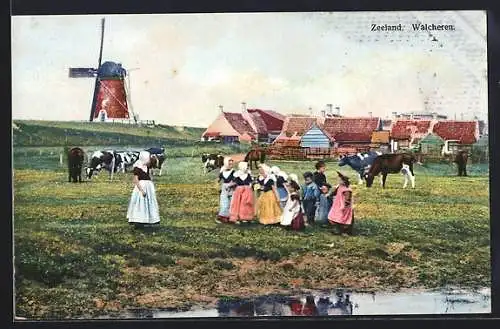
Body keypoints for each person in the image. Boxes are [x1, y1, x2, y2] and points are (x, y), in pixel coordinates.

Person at [127, 151, 160, 227]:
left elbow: (156, 165)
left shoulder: (146, 166)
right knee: (140, 203)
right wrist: (141, 190)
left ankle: (149, 219)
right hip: (142, 186)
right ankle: (139, 220)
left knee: (148, 203)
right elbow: (135, 180)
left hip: (148, 186)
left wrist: (154, 158)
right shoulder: (137, 167)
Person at [328, 171, 354, 235]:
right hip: (337, 205)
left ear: (344, 181)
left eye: (340, 180)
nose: (338, 180)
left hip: (343, 207)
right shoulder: (339, 187)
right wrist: (334, 189)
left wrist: (345, 207)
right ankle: (337, 229)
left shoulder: (347, 190)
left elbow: (348, 200)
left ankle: (345, 231)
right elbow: (333, 193)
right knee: (333, 216)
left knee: (343, 219)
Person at [217, 157, 235, 223]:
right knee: (224, 202)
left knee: (231, 202)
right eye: (229, 164)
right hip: (224, 188)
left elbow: (236, 180)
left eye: (232, 164)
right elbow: (218, 180)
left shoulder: (233, 172)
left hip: (232, 188)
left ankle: (230, 216)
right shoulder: (222, 172)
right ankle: (223, 216)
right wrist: (219, 186)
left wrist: (231, 184)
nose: (231, 165)